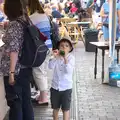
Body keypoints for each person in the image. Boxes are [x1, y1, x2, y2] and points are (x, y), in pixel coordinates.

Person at [1, 0, 34, 120]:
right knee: (26, 102)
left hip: (16, 70)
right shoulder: (25, 20)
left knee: (15, 103)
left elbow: (14, 51)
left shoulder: (15, 24)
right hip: (25, 67)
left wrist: (11, 73)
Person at [28, 0, 52, 105]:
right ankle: (43, 95)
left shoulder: (32, 18)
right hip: (48, 46)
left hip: (40, 48)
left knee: (38, 72)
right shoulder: (44, 16)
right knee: (43, 72)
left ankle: (44, 98)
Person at [49, 38, 75, 120]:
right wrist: (55, 57)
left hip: (66, 88)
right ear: (58, 48)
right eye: (62, 46)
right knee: (55, 108)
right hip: (55, 87)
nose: (64, 48)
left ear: (70, 48)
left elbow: (68, 71)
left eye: (66, 46)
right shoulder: (56, 57)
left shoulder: (71, 58)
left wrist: (65, 59)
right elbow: (50, 66)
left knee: (66, 109)